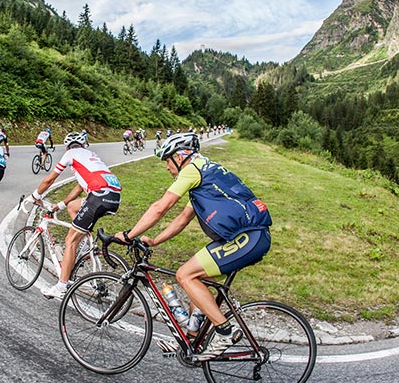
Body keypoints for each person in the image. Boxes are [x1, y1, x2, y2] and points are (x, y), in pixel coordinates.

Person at [115, 132, 272, 361]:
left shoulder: (192, 170)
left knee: (185, 275)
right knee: (196, 281)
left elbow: (161, 207)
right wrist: (155, 240)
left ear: (180, 156)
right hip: (248, 236)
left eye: (167, 161)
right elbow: (183, 218)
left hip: (249, 237)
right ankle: (192, 339)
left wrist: (129, 235)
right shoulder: (206, 173)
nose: (167, 167)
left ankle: (225, 331)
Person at [30, 131, 122, 299]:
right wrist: (60, 205)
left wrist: (35, 196)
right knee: (73, 207)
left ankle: (61, 286)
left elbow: (49, 180)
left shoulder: (70, 154)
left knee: (69, 241)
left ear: (67, 147)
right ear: (84, 145)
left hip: (98, 196)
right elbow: (80, 187)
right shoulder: (91, 156)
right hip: (113, 196)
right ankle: (85, 240)